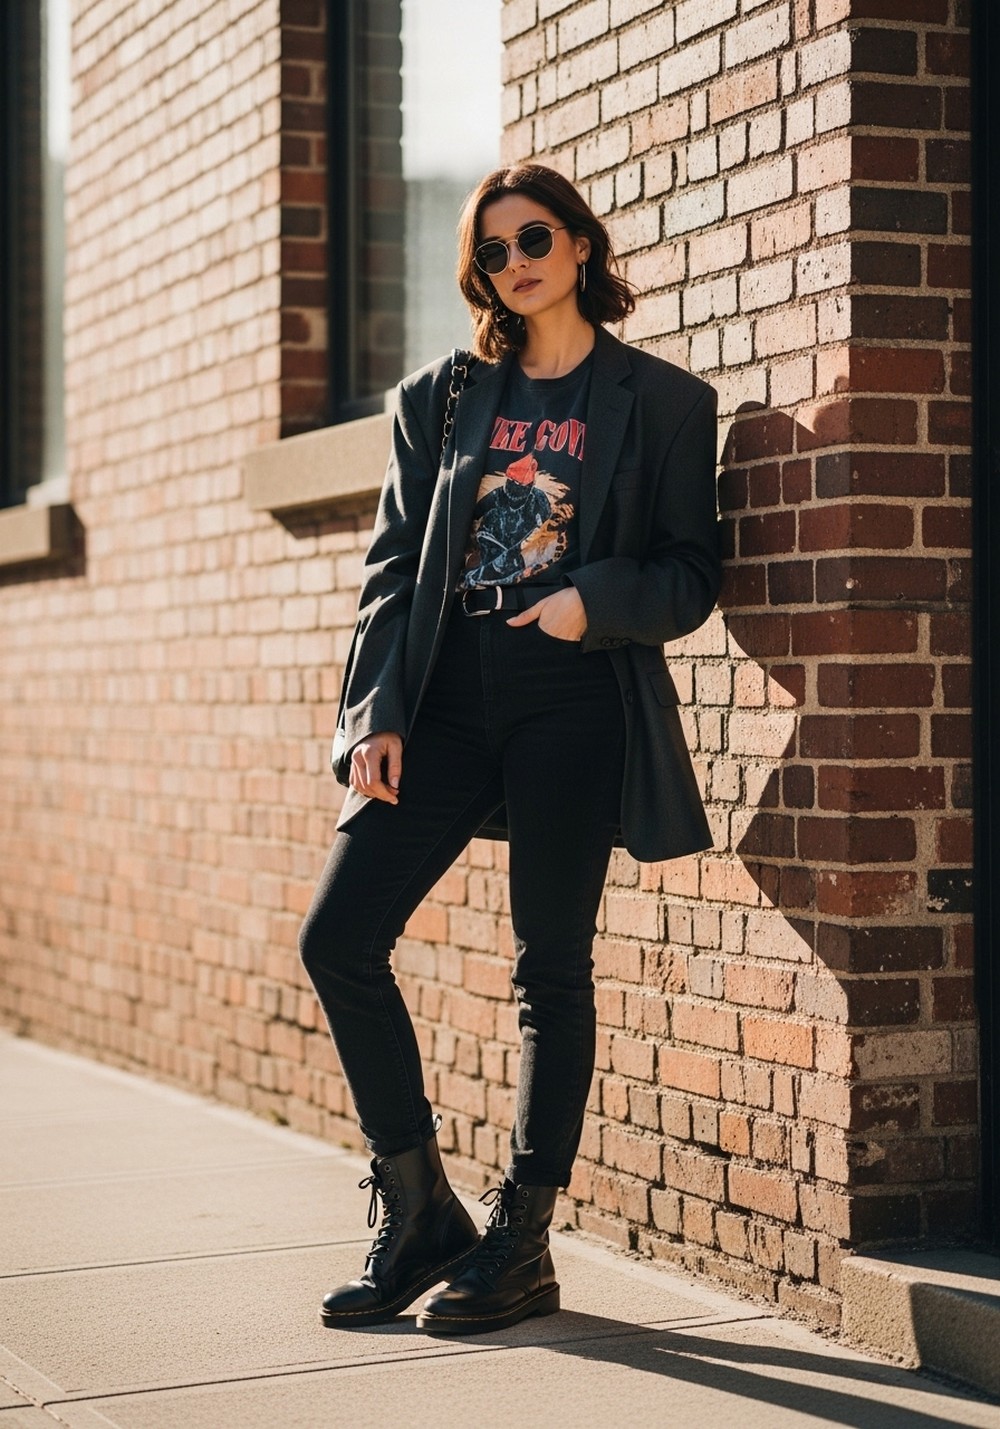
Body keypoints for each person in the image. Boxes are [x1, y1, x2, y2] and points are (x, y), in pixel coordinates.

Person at [299, 163, 721, 1336]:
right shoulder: (440, 398)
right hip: (441, 696)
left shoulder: (666, 403)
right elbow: (392, 572)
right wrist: (370, 713)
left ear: (580, 244)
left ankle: (522, 1241)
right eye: (492, 249)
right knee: (337, 938)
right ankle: (420, 1205)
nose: (516, 260)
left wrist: (596, 597)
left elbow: (691, 572)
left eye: (534, 236)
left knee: (550, 966)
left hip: (569, 695)